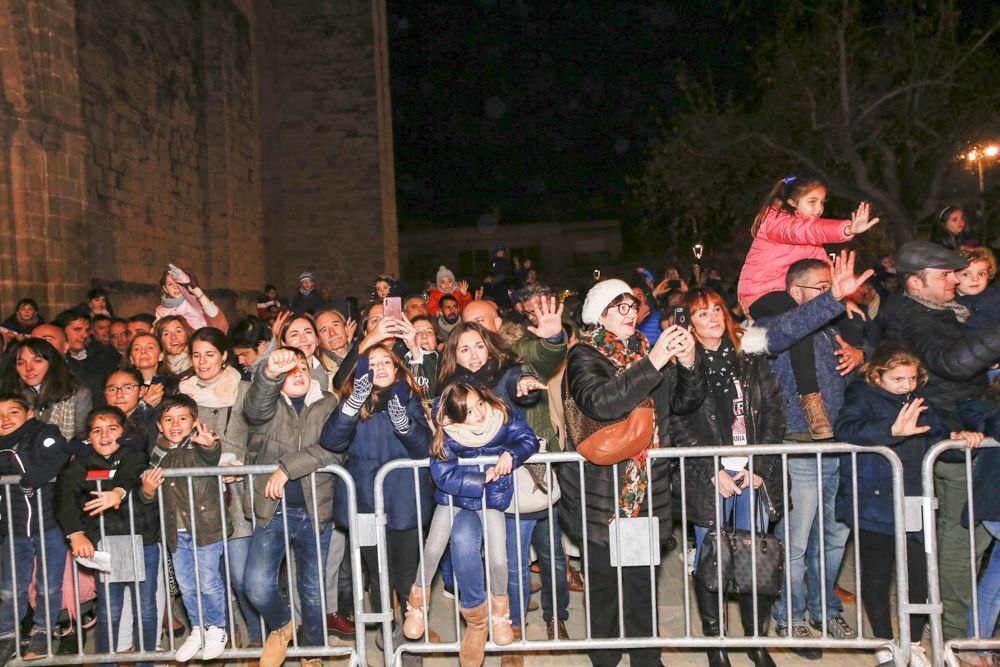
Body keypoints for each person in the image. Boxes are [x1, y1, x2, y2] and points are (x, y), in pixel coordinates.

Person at [560, 278, 705, 667]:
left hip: (645, 491)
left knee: (641, 583)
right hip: (601, 493)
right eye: (618, 307)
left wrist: (689, 362)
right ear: (599, 315)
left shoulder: (646, 349)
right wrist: (654, 361)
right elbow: (602, 403)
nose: (629, 314)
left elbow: (682, 403)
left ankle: (646, 656)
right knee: (606, 586)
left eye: (633, 306)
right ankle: (605, 658)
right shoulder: (585, 356)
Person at [741, 252, 870, 657]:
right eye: (821, 287)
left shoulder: (832, 330)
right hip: (797, 448)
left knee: (833, 538)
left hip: (835, 447)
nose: (833, 293)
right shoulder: (775, 324)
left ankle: (824, 609)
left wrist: (862, 356)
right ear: (795, 291)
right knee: (795, 543)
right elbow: (783, 334)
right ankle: (790, 618)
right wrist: (830, 300)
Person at [878, 241, 1000, 644]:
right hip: (949, 440)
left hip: (968, 431)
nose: (955, 280)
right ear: (916, 282)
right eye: (945, 274)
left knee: (975, 541)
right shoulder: (913, 317)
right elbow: (952, 362)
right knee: (962, 541)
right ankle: (956, 637)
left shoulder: (939, 310)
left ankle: (966, 631)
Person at [834, 344, 984, 667]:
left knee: (919, 576)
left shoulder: (921, 402)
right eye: (898, 379)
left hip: (915, 499)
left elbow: (938, 441)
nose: (907, 385)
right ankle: (885, 642)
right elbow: (845, 429)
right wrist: (891, 431)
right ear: (877, 376)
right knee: (876, 574)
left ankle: (914, 642)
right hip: (873, 501)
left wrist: (963, 440)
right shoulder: (861, 395)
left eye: (912, 378)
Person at [670, 287, 786, 667]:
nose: (714, 318)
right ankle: (715, 642)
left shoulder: (749, 357)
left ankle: (756, 641)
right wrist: (712, 470)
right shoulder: (683, 364)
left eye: (717, 309)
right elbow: (679, 424)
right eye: (702, 314)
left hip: (751, 473)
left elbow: (773, 413)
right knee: (712, 559)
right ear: (689, 324)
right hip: (712, 477)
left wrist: (759, 466)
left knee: (754, 559)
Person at [737, 176, 878, 440]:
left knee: (853, 317)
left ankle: (855, 365)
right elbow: (804, 231)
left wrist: (842, 298)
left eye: (822, 203)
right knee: (802, 324)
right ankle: (811, 401)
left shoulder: (812, 243)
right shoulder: (775, 221)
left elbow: (826, 274)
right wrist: (847, 229)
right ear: (792, 202)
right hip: (761, 292)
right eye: (812, 202)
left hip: (796, 293)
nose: (819, 209)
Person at [409, 383, 536, 666]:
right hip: (454, 500)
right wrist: (481, 478)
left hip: (491, 500)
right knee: (434, 547)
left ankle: (500, 614)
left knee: (499, 559)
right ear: (454, 417)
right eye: (468, 411)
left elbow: (528, 438)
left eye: (479, 403)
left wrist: (511, 454)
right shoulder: (448, 434)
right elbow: (442, 474)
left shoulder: (501, 416)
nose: (479, 413)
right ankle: (417, 604)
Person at [319, 346, 432, 653]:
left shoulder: (408, 399)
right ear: (362, 371)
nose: (380, 367)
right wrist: (353, 404)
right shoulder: (351, 402)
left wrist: (405, 426)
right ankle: (388, 627)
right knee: (378, 574)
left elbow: (425, 449)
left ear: (397, 369)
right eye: (373, 363)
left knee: (408, 575)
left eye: (387, 362)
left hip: (405, 501)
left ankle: (413, 641)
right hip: (365, 502)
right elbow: (331, 440)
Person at [242, 348, 341, 667]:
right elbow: (254, 408)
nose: (298, 372)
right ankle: (282, 626)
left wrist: (287, 468)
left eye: (303, 367)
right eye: (290, 369)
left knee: (312, 591)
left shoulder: (328, 403)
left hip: (316, 512)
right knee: (257, 585)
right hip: (273, 510)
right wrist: (269, 374)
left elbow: (334, 449)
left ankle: (312, 652)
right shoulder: (268, 407)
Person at [56, 406, 160, 667]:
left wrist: (118, 492)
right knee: (109, 611)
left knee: (145, 609)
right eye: (97, 430)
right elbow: (64, 497)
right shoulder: (79, 463)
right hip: (106, 545)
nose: (104, 436)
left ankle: (147, 662)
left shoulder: (134, 455)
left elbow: (130, 472)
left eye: (112, 428)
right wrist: (76, 534)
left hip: (142, 541)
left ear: (123, 432)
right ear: (88, 437)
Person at [176, 327, 257, 646]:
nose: (202, 361)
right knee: (210, 576)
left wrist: (243, 464)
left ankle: (258, 633)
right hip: (197, 496)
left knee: (240, 575)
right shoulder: (182, 394)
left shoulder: (245, 389)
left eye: (210, 354)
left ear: (224, 356)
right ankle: (224, 633)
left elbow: (259, 437)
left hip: (235, 494)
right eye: (196, 355)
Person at [139, 395, 229, 662]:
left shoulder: (201, 444)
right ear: (159, 425)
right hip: (175, 531)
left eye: (182, 418)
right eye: (168, 419)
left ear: (194, 422)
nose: (175, 424)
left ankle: (217, 628)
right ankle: (199, 627)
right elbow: (149, 493)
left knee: (208, 580)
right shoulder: (157, 453)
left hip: (205, 528)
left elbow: (212, 455)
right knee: (187, 585)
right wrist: (146, 491)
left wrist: (210, 446)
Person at [0, 393, 70, 662]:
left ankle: (43, 630)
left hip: (49, 525)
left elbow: (59, 455)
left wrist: (31, 480)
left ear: (29, 413)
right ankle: (7, 634)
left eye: (12, 412)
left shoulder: (43, 433)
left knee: (49, 585)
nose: (5, 419)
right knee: (10, 588)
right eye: (0, 415)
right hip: (13, 529)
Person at [1, 337, 93, 438]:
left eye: (37, 361)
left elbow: (81, 438)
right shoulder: (8, 394)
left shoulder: (78, 394)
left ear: (52, 363)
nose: (28, 368)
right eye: (21, 363)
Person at [53, 309, 119, 405]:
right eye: (77, 329)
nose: (84, 335)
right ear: (61, 331)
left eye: (87, 330)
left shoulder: (102, 358)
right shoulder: (52, 362)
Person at [154, 264, 228, 332]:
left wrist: (180, 277)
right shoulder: (160, 310)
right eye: (170, 284)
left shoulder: (190, 300)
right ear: (165, 288)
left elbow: (187, 282)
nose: (175, 287)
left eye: (178, 283)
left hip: (201, 335)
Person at [955, 247, 1000, 334]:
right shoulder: (946, 298)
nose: (975, 279)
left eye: (981, 274)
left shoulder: (995, 299)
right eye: (966, 274)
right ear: (952, 276)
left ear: (988, 275)